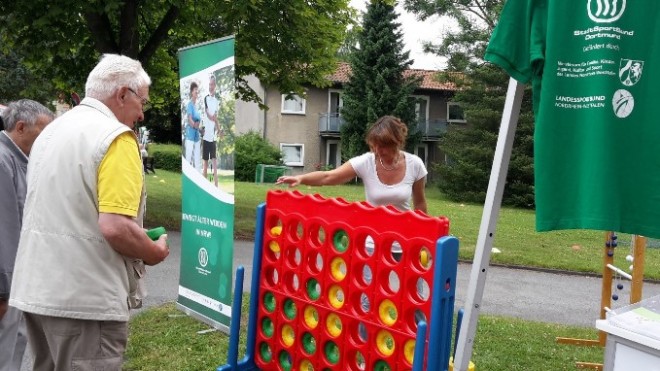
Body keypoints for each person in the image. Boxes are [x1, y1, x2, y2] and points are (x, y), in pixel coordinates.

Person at [9, 54, 169, 371]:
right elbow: (115, 227)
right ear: (122, 94)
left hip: (38, 290)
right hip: (85, 302)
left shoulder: (52, 131)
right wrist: (152, 252)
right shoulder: (115, 138)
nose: (142, 114)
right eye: (143, 102)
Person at [276, 115, 427, 213]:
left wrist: (424, 239)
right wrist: (301, 178)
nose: (378, 150)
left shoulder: (415, 164)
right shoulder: (366, 162)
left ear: (397, 142)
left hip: (403, 243)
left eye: (383, 146)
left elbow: (419, 204)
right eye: (374, 145)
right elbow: (328, 176)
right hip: (371, 243)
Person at [0, 100, 54, 371]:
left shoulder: (19, 160)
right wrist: (3, 291)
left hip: (16, 283)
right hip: (6, 286)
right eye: (44, 131)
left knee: (14, 349)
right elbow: (5, 231)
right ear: (21, 127)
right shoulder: (3, 161)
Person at [202, 75, 222, 186]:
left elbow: (216, 118)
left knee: (214, 163)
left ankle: (216, 186)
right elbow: (209, 115)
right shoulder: (206, 98)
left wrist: (219, 130)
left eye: (212, 84)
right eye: (209, 84)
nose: (210, 86)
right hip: (205, 137)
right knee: (205, 163)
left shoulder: (216, 101)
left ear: (215, 85)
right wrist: (213, 117)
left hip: (213, 137)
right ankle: (204, 187)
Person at [185, 82, 202, 172]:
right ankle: (188, 178)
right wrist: (196, 125)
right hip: (190, 134)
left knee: (197, 159)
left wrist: (199, 129)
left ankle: (199, 180)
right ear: (192, 92)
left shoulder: (196, 107)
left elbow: (198, 121)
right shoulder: (190, 105)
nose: (197, 92)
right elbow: (190, 120)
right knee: (188, 158)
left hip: (196, 135)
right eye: (195, 90)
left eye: (197, 90)